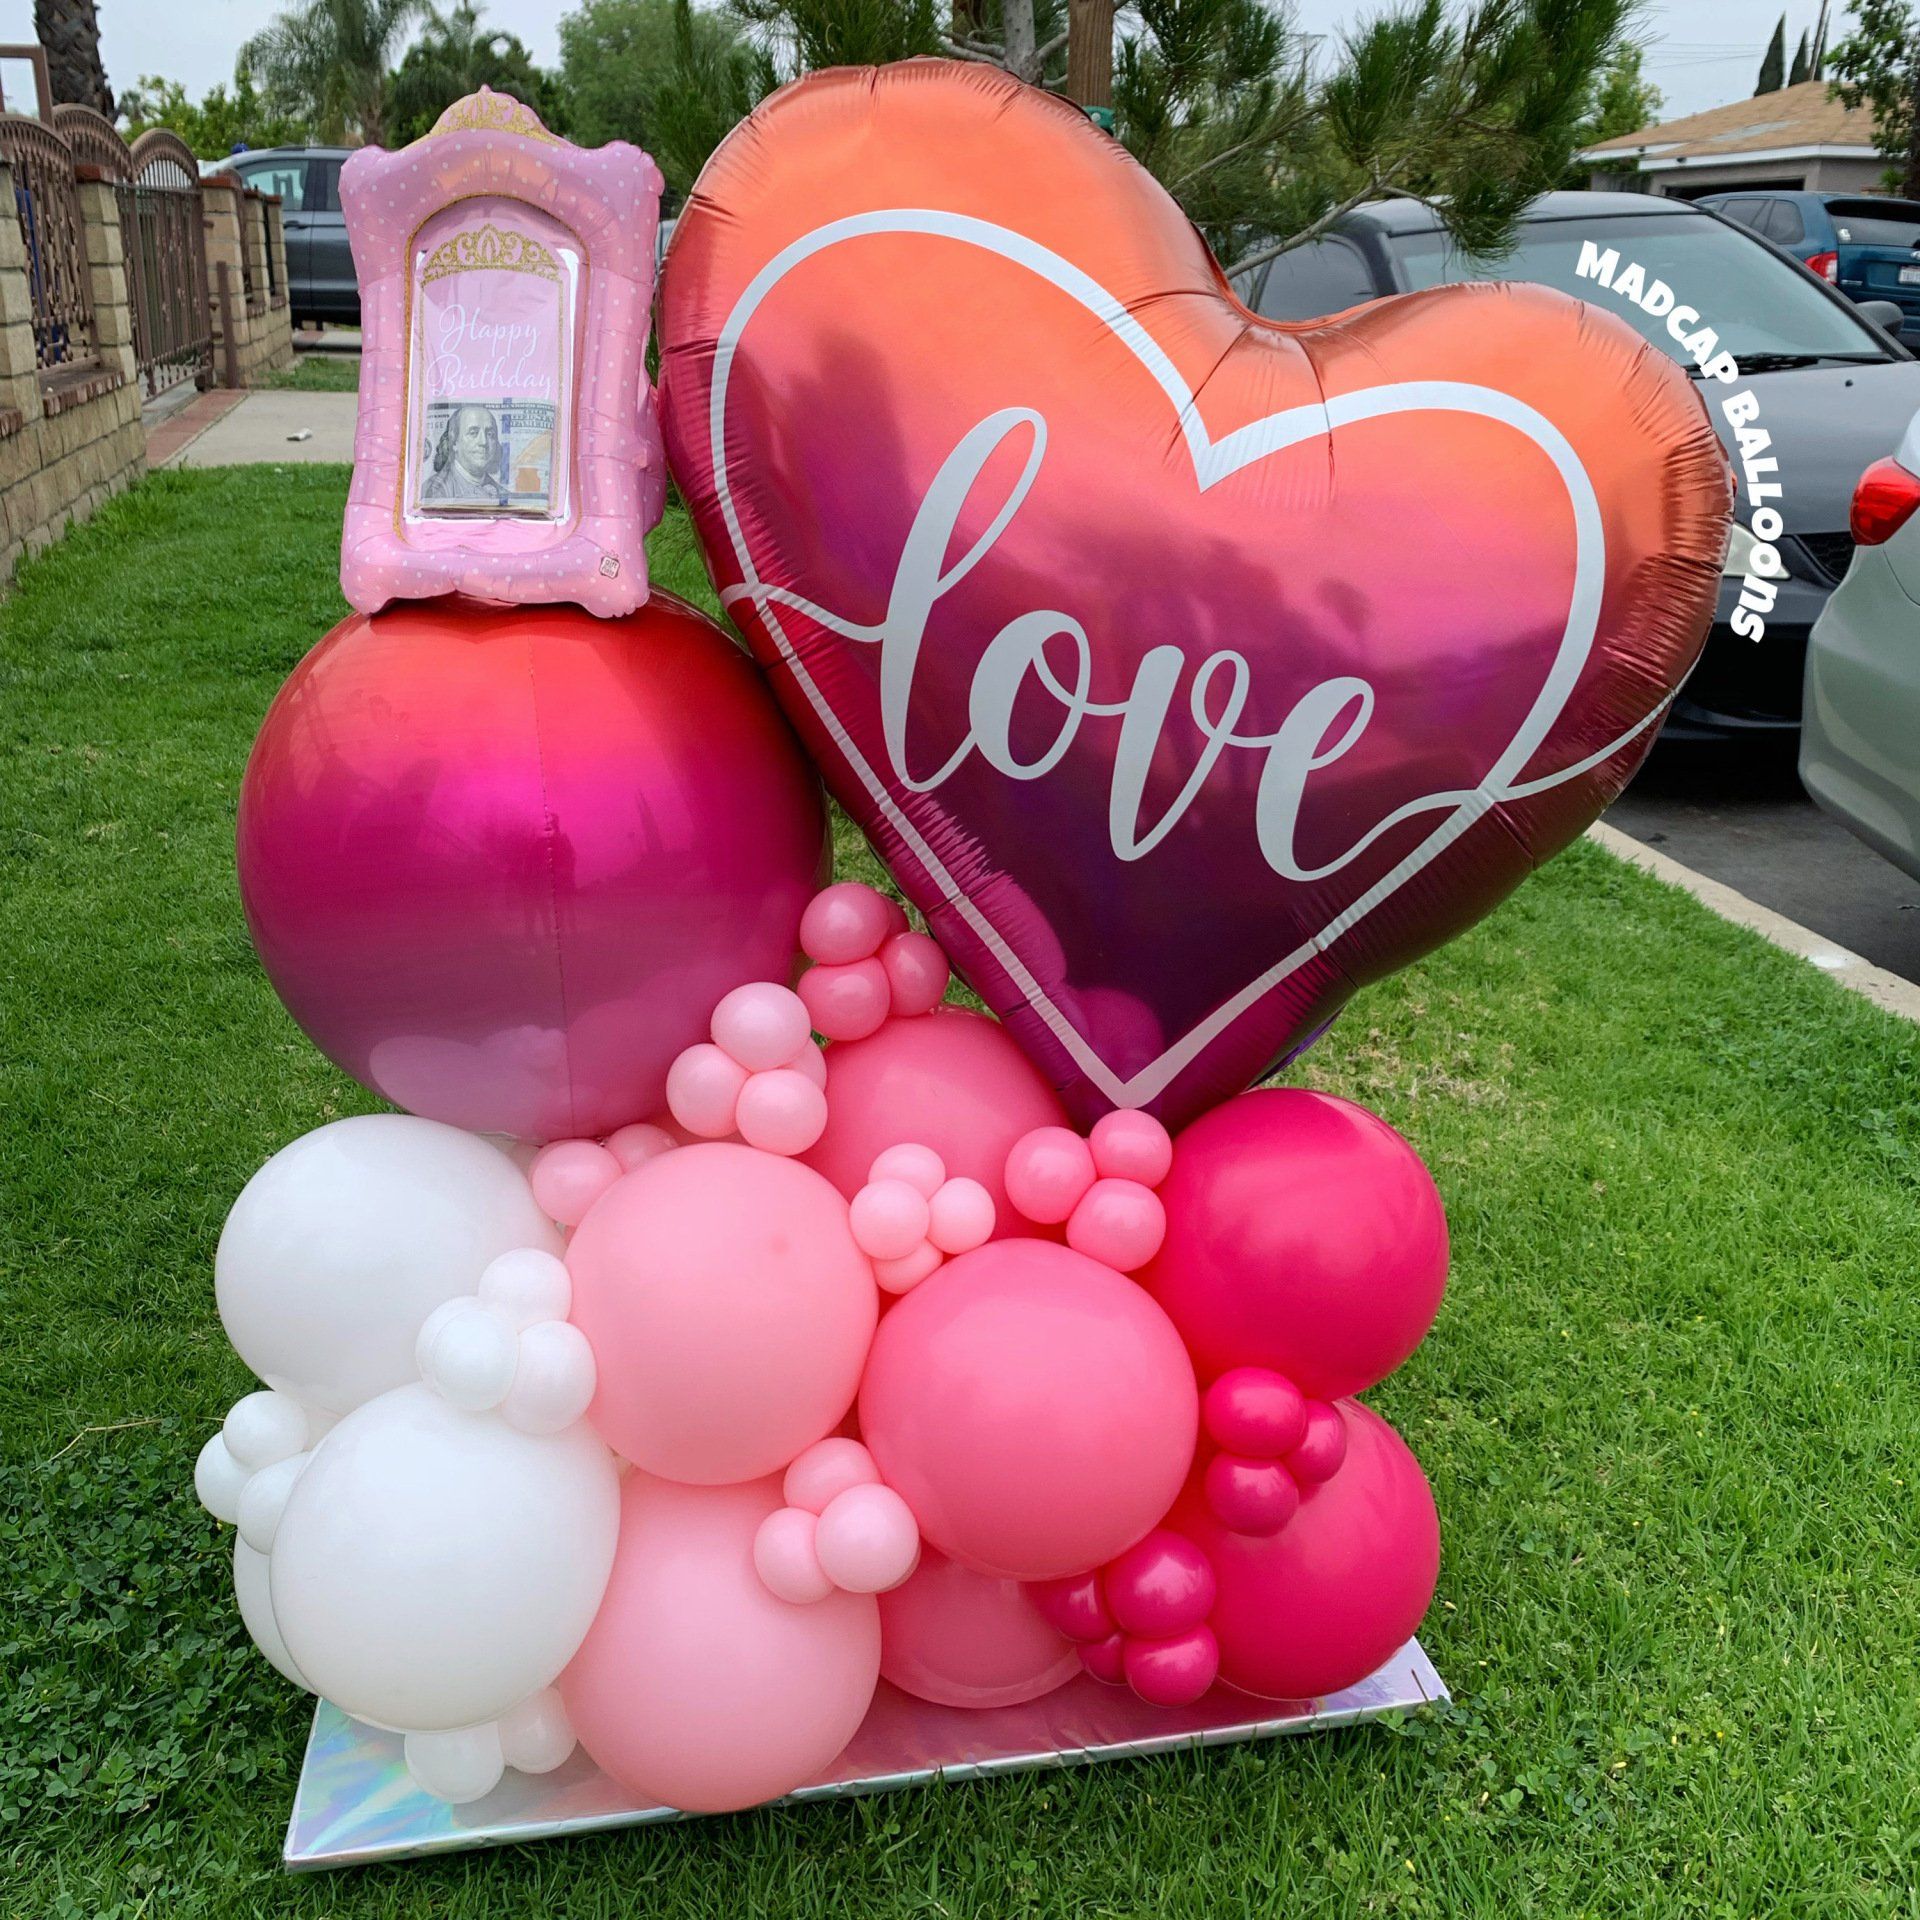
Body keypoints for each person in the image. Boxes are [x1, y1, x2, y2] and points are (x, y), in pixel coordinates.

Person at [423, 405, 503, 504]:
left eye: (490, 434)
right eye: (473, 433)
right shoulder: (434, 491)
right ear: (454, 442)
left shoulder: (502, 493)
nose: (483, 442)